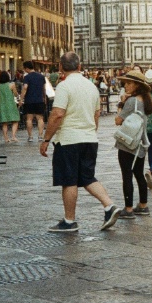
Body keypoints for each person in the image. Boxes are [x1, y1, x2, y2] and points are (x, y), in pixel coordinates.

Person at [39, 52, 122, 232]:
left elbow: (57, 114)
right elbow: (96, 113)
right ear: (79, 66)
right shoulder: (91, 86)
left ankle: (69, 221)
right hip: (89, 138)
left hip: (68, 139)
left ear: (60, 67)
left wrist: (46, 139)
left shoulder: (64, 86)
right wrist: (91, 131)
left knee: (69, 180)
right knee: (87, 177)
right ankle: (109, 206)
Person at [114, 71, 152, 219]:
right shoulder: (146, 100)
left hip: (128, 143)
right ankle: (143, 205)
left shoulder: (131, 101)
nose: (126, 85)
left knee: (127, 175)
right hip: (141, 143)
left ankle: (128, 208)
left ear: (137, 85)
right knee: (139, 174)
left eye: (129, 83)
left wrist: (121, 105)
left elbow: (118, 121)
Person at [20, 61, 47, 142]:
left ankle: (30, 136)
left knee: (29, 119)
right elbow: (44, 88)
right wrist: (44, 97)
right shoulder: (41, 76)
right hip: (39, 99)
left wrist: (21, 99)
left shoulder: (27, 77)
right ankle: (40, 136)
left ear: (26, 68)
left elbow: (25, 87)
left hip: (29, 100)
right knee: (40, 119)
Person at [0, 71, 20, 143]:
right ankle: (13, 136)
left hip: (2, 105)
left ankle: (6, 138)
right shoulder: (12, 85)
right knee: (15, 120)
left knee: (4, 123)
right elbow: (15, 94)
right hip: (11, 104)